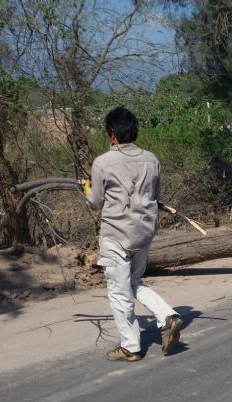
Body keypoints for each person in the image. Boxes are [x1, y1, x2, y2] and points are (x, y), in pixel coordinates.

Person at [83, 106, 182, 362]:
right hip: (144, 232)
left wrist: (86, 189)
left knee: (119, 292)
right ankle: (167, 315)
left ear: (112, 134)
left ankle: (130, 347)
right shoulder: (152, 159)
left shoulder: (103, 162)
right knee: (135, 282)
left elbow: (95, 203)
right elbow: (155, 195)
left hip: (116, 235)